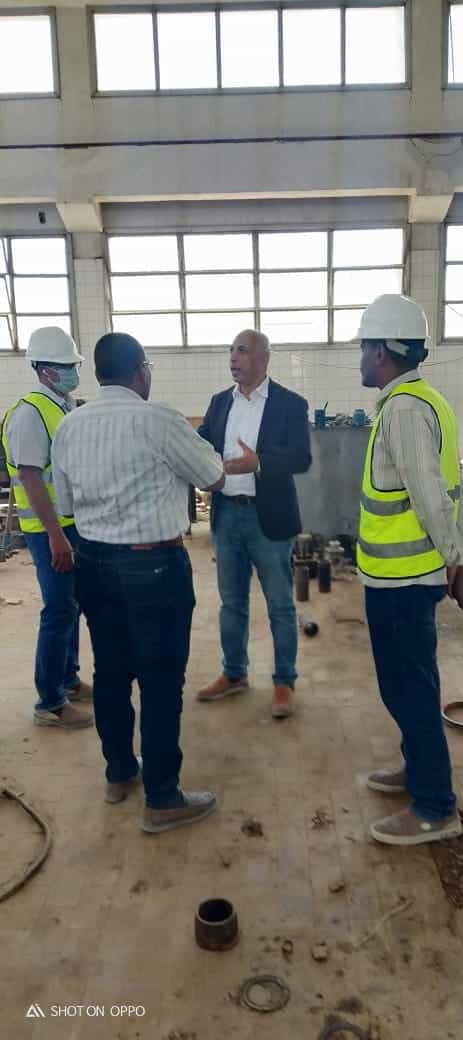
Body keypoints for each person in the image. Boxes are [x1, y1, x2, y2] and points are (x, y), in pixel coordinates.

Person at [51, 332, 225, 834]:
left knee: (110, 673)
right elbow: (212, 474)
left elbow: (67, 505)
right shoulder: (158, 419)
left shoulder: (70, 425)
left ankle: (120, 772)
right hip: (153, 568)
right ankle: (163, 797)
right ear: (141, 371)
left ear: (97, 373)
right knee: (161, 681)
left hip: (93, 564)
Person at [357, 293, 463, 846]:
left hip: (403, 581)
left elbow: (432, 497)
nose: (361, 357)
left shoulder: (404, 410)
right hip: (403, 577)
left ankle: (434, 805)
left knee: (410, 689)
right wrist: (457, 559)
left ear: (382, 351)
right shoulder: (423, 401)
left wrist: (457, 561)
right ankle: (417, 768)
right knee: (407, 685)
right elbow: (453, 490)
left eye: (364, 346)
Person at [196, 329, 312, 718]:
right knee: (232, 603)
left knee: (280, 604)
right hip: (227, 514)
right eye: (231, 351)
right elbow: (201, 444)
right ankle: (234, 673)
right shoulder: (219, 403)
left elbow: (301, 458)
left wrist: (258, 462)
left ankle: (284, 681)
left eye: (242, 351)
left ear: (263, 358)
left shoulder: (289, 404)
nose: (233, 358)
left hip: (269, 518)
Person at [1, 327, 93, 729]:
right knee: (57, 609)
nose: (73, 372)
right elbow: (30, 476)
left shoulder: (63, 406)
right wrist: (55, 535)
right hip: (48, 530)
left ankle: (68, 679)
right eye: (66, 366)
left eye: (74, 365)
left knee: (71, 606)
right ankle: (50, 702)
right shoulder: (30, 413)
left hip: (70, 525)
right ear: (44, 369)